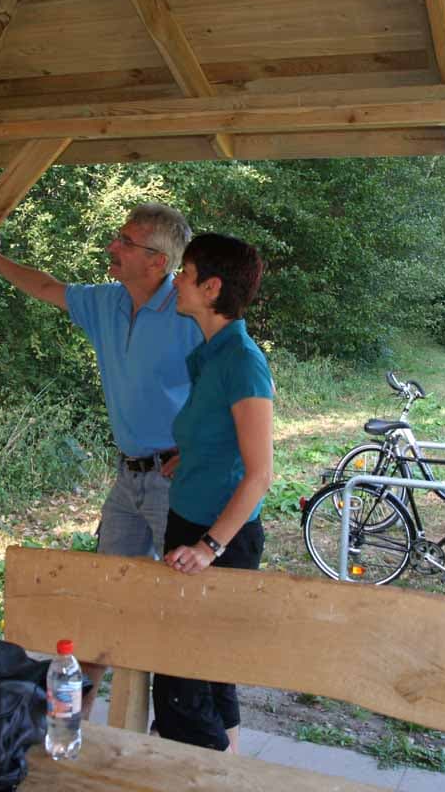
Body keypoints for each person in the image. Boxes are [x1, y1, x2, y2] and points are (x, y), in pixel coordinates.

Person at [0, 203, 203, 711]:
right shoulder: (106, 302)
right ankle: (78, 709)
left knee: (175, 601)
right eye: (117, 237)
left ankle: (182, 717)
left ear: (158, 261)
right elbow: (44, 287)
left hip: (177, 479)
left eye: (126, 241)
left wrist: (197, 449)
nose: (112, 248)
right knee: (108, 591)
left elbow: (238, 391)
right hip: (128, 478)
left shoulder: (190, 312)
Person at [154, 233, 273, 754]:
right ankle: (229, 777)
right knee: (211, 674)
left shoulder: (243, 362)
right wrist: (191, 458)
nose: (176, 279)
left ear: (211, 287)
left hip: (220, 540)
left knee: (181, 689)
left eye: (185, 271)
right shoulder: (210, 354)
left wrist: (209, 548)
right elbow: (220, 434)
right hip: (190, 523)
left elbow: (260, 474)